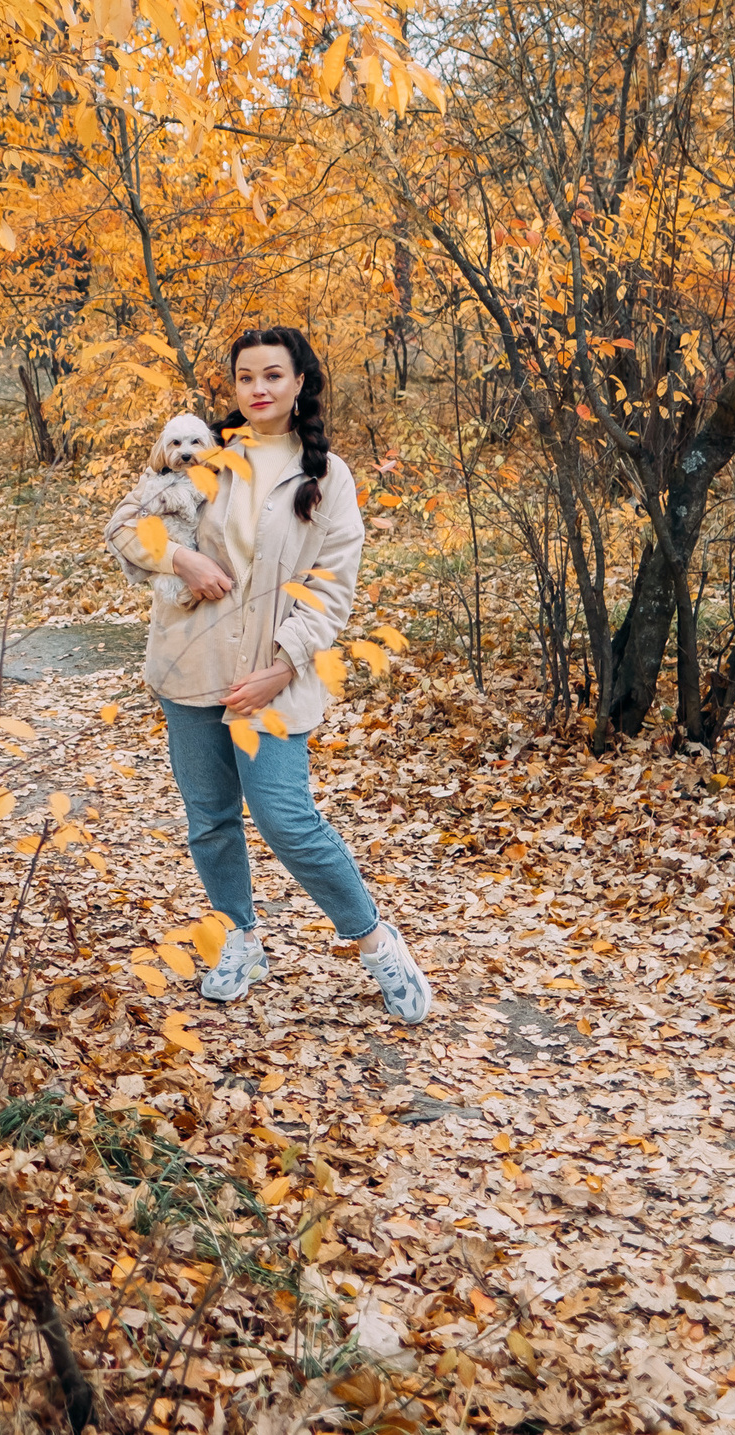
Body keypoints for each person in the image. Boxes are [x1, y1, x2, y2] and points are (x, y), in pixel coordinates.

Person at [106, 326, 432, 1020]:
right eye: (247, 376)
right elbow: (125, 526)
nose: (258, 388)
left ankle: (375, 941)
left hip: (274, 674)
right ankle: (239, 937)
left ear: (299, 383)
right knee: (210, 819)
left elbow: (333, 587)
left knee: (286, 816)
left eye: (273, 375)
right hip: (191, 664)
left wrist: (282, 667)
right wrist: (180, 559)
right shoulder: (203, 456)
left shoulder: (329, 476)